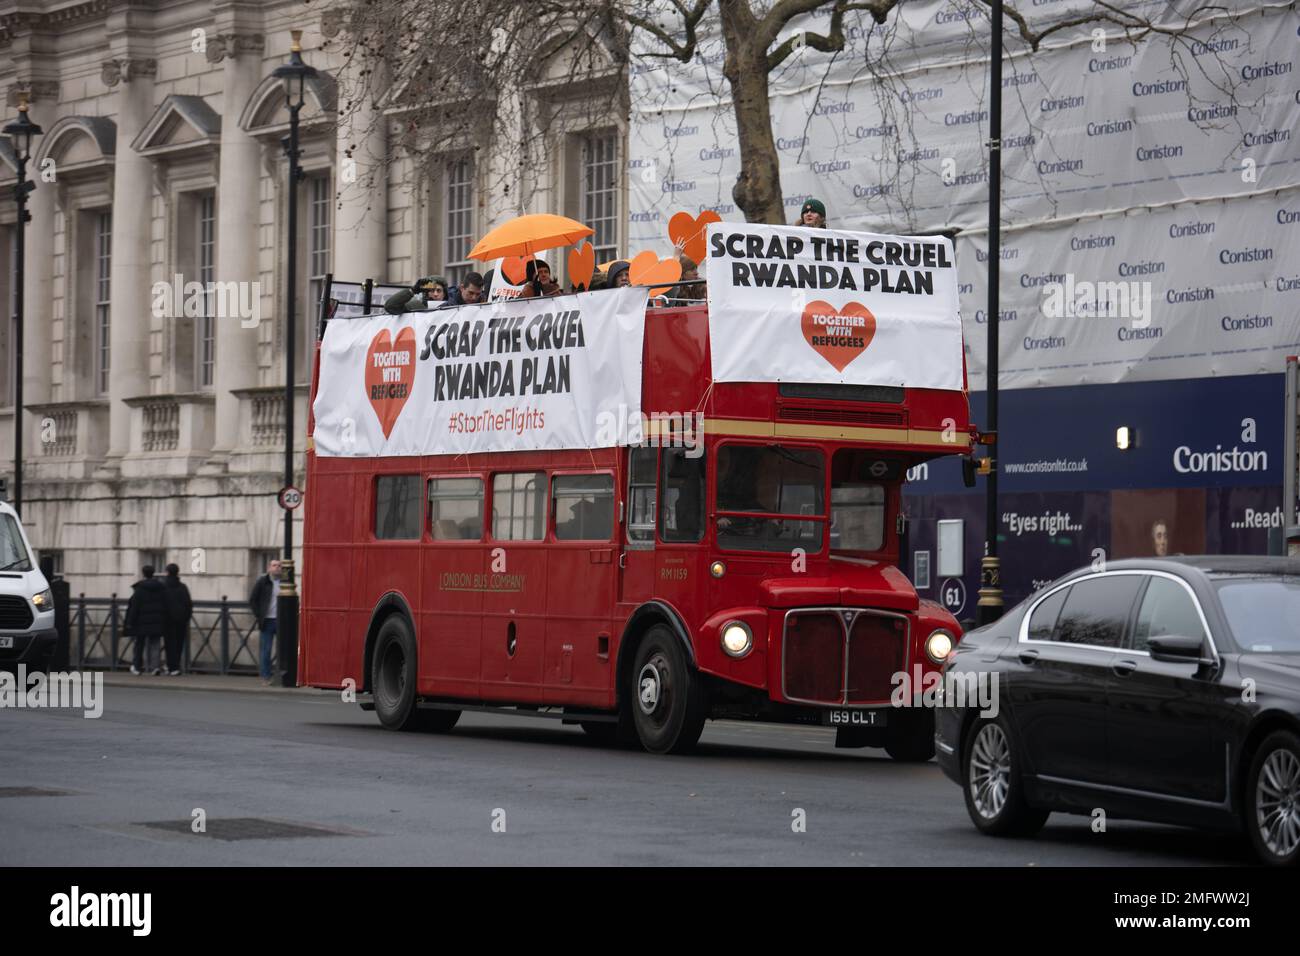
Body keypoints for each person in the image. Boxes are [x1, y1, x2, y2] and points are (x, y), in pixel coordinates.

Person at [124, 565, 170, 676]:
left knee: (139, 644)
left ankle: (137, 667)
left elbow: (134, 607)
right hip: (157, 620)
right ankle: (155, 667)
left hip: (141, 622)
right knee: (155, 643)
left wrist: (129, 622)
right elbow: (166, 604)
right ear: (153, 573)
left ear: (143, 574)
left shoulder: (139, 589)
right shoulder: (161, 588)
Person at [248, 558, 282, 684]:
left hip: (281, 620)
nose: (277, 568)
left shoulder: (285, 582)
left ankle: (281, 675)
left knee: (282, 650)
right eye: (274, 565)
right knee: (266, 650)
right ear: (269, 568)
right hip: (267, 621)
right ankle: (266, 676)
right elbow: (252, 600)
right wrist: (259, 615)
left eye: (279, 566)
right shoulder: (262, 581)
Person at [162, 563, 192, 676]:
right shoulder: (183, 587)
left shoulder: (163, 586)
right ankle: (175, 666)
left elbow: (161, 603)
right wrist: (186, 617)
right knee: (179, 643)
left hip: (167, 620)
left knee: (169, 643)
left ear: (167, 572)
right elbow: (188, 604)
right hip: (181, 620)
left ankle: (171, 666)